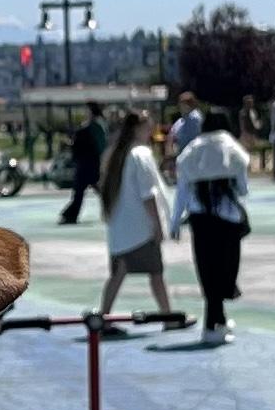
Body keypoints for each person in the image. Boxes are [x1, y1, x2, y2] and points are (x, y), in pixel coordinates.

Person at [170, 111, 249, 345]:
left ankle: (217, 322)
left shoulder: (192, 149)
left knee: (207, 271)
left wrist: (175, 221)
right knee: (226, 270)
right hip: (227, 220)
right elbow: (243, 189)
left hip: (200, 219)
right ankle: (213, 325)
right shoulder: (231, 146)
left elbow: (182, 189)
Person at [97, 110, 175, 332]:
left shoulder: (117, 155)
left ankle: (103, 317)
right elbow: (148, 194)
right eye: (148, 126)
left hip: (121, 228)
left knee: (118, 273)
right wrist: (158, 225)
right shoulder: (141, 154)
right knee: (156, 272)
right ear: (138, 129)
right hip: (140, 228)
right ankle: (168, 317)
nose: (151, 130)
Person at [58, 101, 107, 224]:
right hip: (89, 165)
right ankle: (70, 215)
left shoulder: (94, 127)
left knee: (83, 192)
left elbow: (99, 146)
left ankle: (70, 215)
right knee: (93, 192)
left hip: (89, 165)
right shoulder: (94, 126)